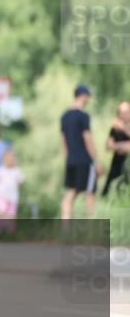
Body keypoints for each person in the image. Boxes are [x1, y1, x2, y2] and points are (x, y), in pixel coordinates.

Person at [60, 85, 103, 220]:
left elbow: (63, 142)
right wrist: (96, 161)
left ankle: (65, 228)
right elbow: (88, 140)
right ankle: (91, 230)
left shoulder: (65, 117)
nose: (89, 99)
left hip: (71, 160)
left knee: (71, 193)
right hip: (85, 160)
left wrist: (68, 158)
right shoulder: (84, 116)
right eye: (88, 96)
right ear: (83, 96)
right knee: (90, 194)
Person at [0, 149, 24, 236]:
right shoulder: (1, 170)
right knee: (1, 213)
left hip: (13, 197)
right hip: (2, 196)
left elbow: (20, 182)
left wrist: (18, 184)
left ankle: (11, 231)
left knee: (11, 214)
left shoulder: (17, 171)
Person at [102, 101, 130, 197]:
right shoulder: (114, 129)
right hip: (117, 165)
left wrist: (123, 129)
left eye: (126, 112)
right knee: (109, 193)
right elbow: (108, 146)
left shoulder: (121, 128)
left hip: (128, 165)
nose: (123, 115)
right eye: (121, 112)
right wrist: (123, 145)